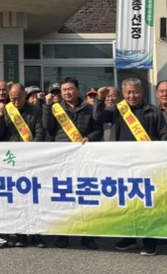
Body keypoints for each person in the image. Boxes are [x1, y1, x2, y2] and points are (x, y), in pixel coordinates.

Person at [95, 78, 167, 256]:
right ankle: (129, 238)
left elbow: (163, 134)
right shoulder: (117, 109)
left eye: (135, 92)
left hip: (147, 163)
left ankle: (150, 241)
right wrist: (99, 99)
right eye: (128, 92)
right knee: (127, 201)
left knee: (147, 202)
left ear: (142, 92)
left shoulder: (153, 110)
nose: (132, 96)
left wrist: (163, 156)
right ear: (123, 93)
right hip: (124, 163)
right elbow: (98, 117)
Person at [43, 77, 103, 250]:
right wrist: (47, 107)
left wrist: (89, 137)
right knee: (64, 195)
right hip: (62, 158)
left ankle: (86, 235)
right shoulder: (56, 108)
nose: (67, 92)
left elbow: (98, 129)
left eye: (70, 89)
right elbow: (48, 128)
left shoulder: (89, 108)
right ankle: (63, 234)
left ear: (77, 90)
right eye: (64, 90)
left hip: (84, 157)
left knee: (85, 196)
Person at [0, 82, 45, 248]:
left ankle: (37, 234)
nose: (16, 102)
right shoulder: (6, 109)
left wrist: (31, 152)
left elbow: (40, 133)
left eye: (19, 98)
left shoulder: (36, 110)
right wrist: (0, 116)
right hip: (13, 161)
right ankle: (20, 233)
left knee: (35, 198)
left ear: (25, 96)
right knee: (17, 199)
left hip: (32, 159)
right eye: (13, 98)